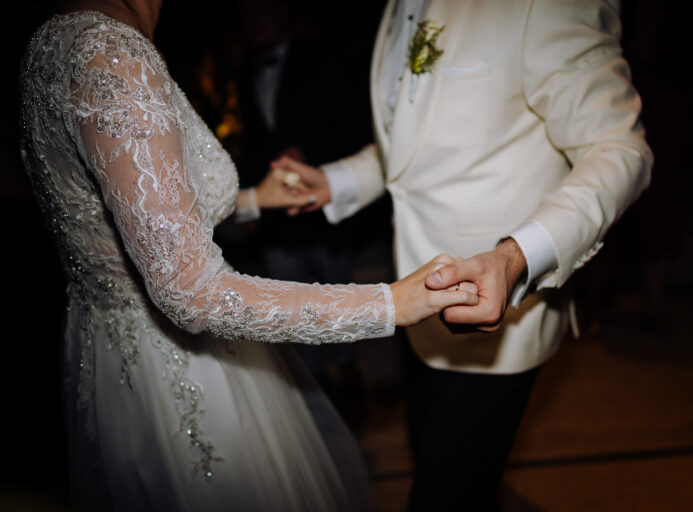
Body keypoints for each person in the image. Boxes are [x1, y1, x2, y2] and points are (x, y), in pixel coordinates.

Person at [19, 1, 478, 510]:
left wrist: (257, 198)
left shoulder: (52, 38)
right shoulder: (112, 56)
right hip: (179, 366)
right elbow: (192, 290)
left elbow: (135, 214)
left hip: (105, 350)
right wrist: (389, 303)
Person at [273, 0, 653, 509]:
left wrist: (516, 256)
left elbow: (619, 149)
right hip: (413, 308)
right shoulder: (393, 8)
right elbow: (406, 146)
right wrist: (336, 182)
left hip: (501, 319)